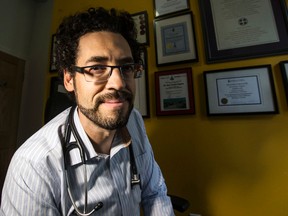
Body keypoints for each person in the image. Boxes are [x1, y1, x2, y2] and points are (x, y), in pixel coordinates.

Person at [0, 7, 174, 215]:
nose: (118, 83)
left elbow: (155, 193)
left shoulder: (134, 121)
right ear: (69, 79)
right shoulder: (34, 168)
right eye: (97, 68)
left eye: (126, 67)